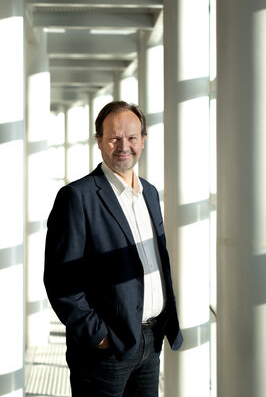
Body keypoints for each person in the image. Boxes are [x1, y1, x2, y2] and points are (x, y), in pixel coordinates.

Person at [44, 100, 183, 397]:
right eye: (114, 138)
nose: (124, 146)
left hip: (150, 342)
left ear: (143, 141)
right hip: (105, 352)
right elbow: (60, 280)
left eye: (132, 138)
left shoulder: (150, 192)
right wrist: (98, 336)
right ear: (99, 142)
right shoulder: (76, 197)